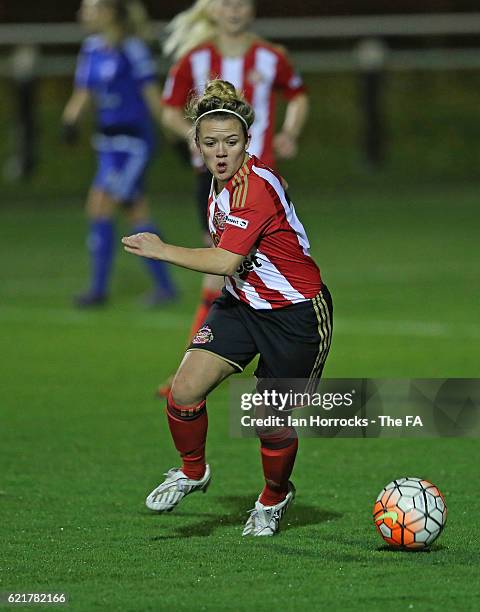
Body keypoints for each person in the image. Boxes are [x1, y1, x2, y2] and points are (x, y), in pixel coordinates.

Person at [122, 80, 332, 536]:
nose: (221, 152)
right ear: (196, 145)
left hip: (296, 316)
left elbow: (225, 260)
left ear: (247, 143)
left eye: (231, 142)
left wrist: (161, 249)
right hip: (241, 304)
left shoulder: (256, 187)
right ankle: (193, 471)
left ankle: (275, 497)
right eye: (211, 143)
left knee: (265, 420)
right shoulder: (217, 186)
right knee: (184, 391)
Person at [156, 0, 309, 393]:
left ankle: (201, 365)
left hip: (261, 183)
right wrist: (192, 141)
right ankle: (207, 362)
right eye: (226, 3)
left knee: (231, 268)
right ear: (212, 10)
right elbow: (169, 109)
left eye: (241, 3)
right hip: (213, 183)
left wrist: (290, 132)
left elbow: (298, 95)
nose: (235, 11)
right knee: (224, 271)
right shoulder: (196, 57)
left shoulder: (272, 57)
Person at [62, 0, 177, 307]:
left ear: (109, 12)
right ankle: (162, 287)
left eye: (90, 7)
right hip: (107, 144)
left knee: (106, 205)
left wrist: (172, 131)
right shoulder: (91, 49)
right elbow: (84, 92)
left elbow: (151, 93)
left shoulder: (133, 49)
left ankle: (101, 291)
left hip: (133, 144)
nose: (82, 13)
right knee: (129, 210)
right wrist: (70, 120)